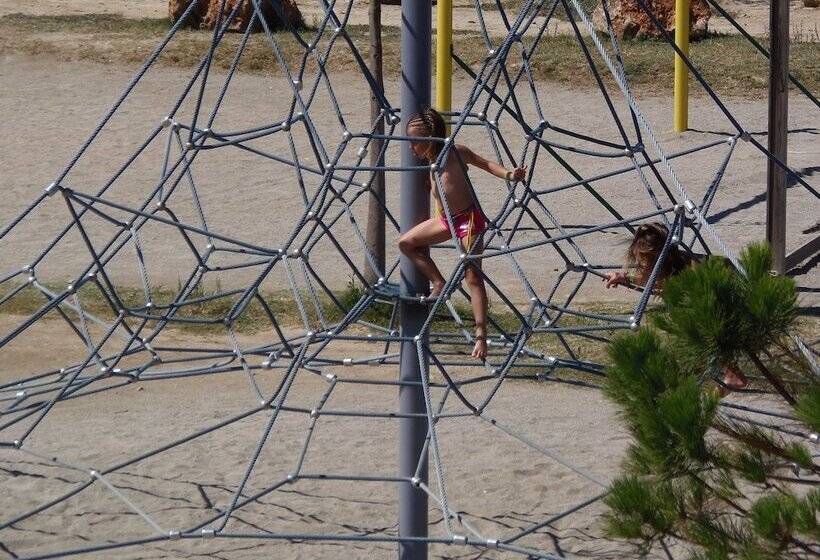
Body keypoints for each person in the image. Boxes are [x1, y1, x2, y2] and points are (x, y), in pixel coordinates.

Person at [397, 108, 526, 360]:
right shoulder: (429, 164)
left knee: (473, 278)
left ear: (431, 137)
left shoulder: (456, 152)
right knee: (406, 243)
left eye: (415, 141)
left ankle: (481, 337)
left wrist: (510, 174)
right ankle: (438, 281)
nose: (410, 147)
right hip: (447, 221)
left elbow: (485, 164)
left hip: (469, 222)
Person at [602, 222, 748, 393]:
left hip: (738, 299)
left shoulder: (689, 277)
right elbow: (646, 278)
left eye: (642, 265)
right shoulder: (671, 269)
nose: (639, 270)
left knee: (698, 326)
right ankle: (724, 370)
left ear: (663, 260)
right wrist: (621, 276)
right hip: (724, 297)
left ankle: (731, 374)